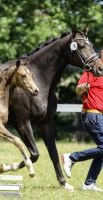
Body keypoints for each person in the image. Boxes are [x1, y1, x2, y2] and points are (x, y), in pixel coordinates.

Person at [61, 52, 103, 191]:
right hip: (92, 115)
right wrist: (84, 87)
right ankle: (72, 157)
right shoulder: (92, 71)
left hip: (100, 117)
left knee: (102, 150)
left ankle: (89, 183)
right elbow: (78, 89)